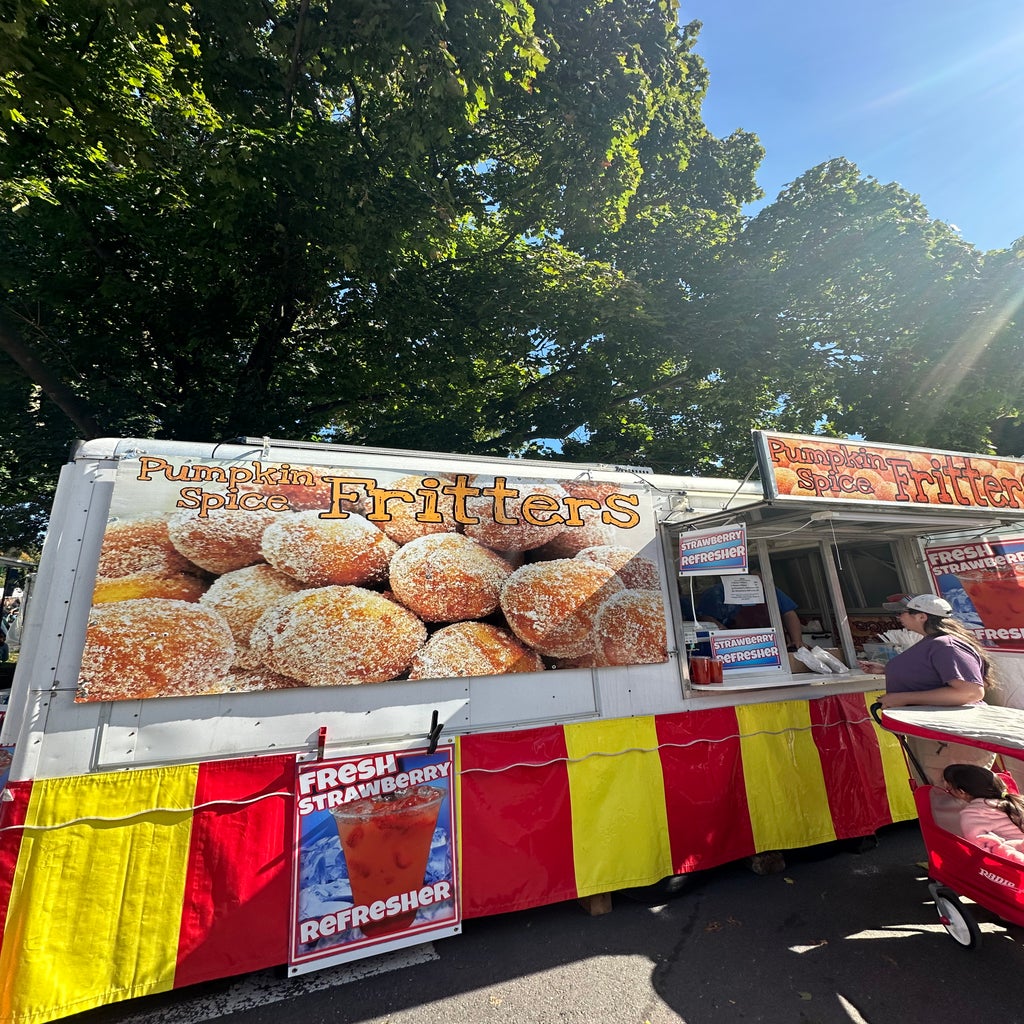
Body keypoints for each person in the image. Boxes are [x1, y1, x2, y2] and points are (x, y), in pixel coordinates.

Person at [858, 593, 996, 783]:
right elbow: (932, 675)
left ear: (922, 616)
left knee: (954, 797)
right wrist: (887, 670)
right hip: (936, 734)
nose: (899, 617)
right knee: (939, 795)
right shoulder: (934, 642)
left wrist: (903, 698)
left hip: (949, 736)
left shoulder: (945, 645)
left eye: (904, 612)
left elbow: (970, 691)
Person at [943, 763, 1024, 863]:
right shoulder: (1016, 801)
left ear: (961, 792)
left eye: (949, 789)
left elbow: (978, 849)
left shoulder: (973, 814)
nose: (948, 792)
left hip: (1015, 862)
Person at [696, 579, 803, 651]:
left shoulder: (767, 589)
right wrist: (730, 641)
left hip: (773, 645)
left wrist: (797, 640)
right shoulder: (715, 593)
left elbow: (789, 612)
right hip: (735, 650)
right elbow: (706, 619)